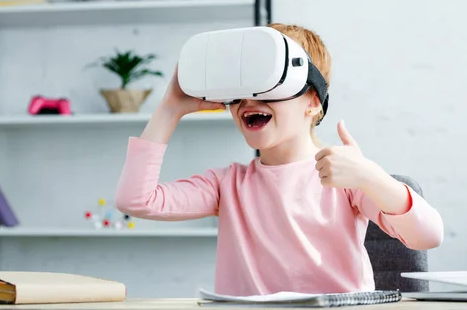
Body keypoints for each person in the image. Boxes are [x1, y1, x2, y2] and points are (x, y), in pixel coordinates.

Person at [114, 23, 444, 296]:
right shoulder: (227, 184)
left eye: (268, 86)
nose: (248, 102)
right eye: (239, 93)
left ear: (313, 102)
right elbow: (136, 200)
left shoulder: (344, 176)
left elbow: (428, 236)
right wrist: (171, 107)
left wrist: (370, 177)